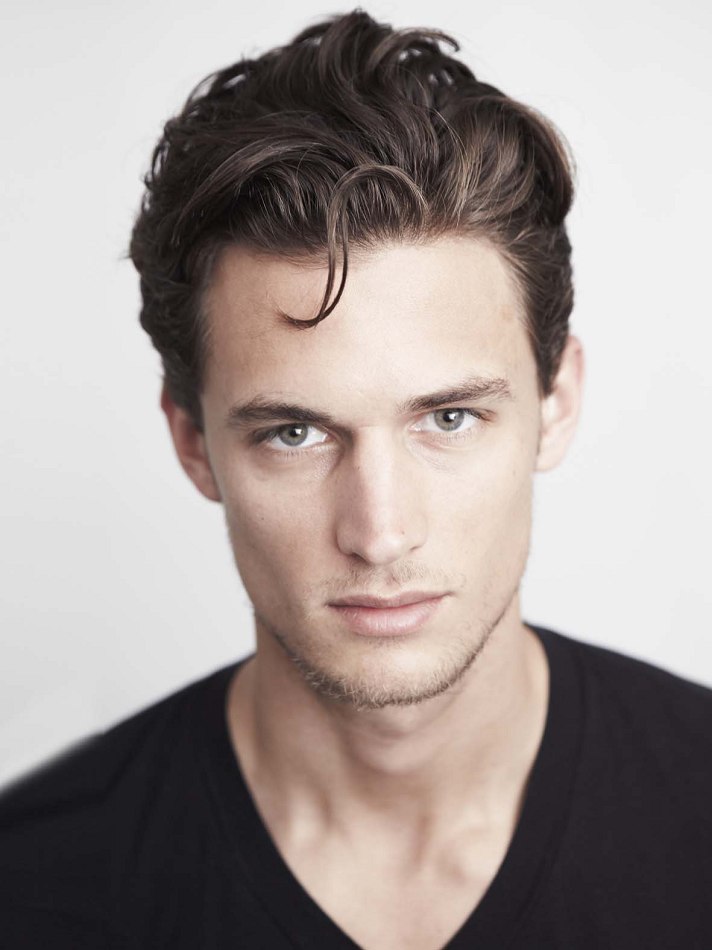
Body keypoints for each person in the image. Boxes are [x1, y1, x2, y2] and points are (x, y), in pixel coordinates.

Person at [1, 9, 711, 949]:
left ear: (557, 402)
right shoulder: (36, 881)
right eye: (295, 433)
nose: (378, 533)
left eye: (448, 419)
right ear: (192, 441)